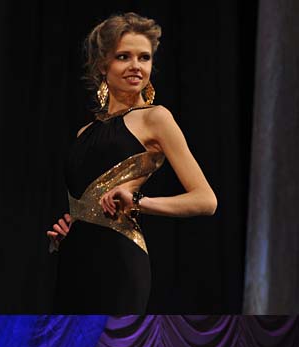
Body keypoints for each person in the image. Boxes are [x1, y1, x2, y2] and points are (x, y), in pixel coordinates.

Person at [47, 13, 217, 313]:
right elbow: (85, 202)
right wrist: (74, 226)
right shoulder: (84, 132)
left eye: (144, 57)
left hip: (119, 261)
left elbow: (206, 200)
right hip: (73, 259)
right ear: (103, 65)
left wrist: (139, 202)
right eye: (123, 56)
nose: (136, 66)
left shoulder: (156, 118)